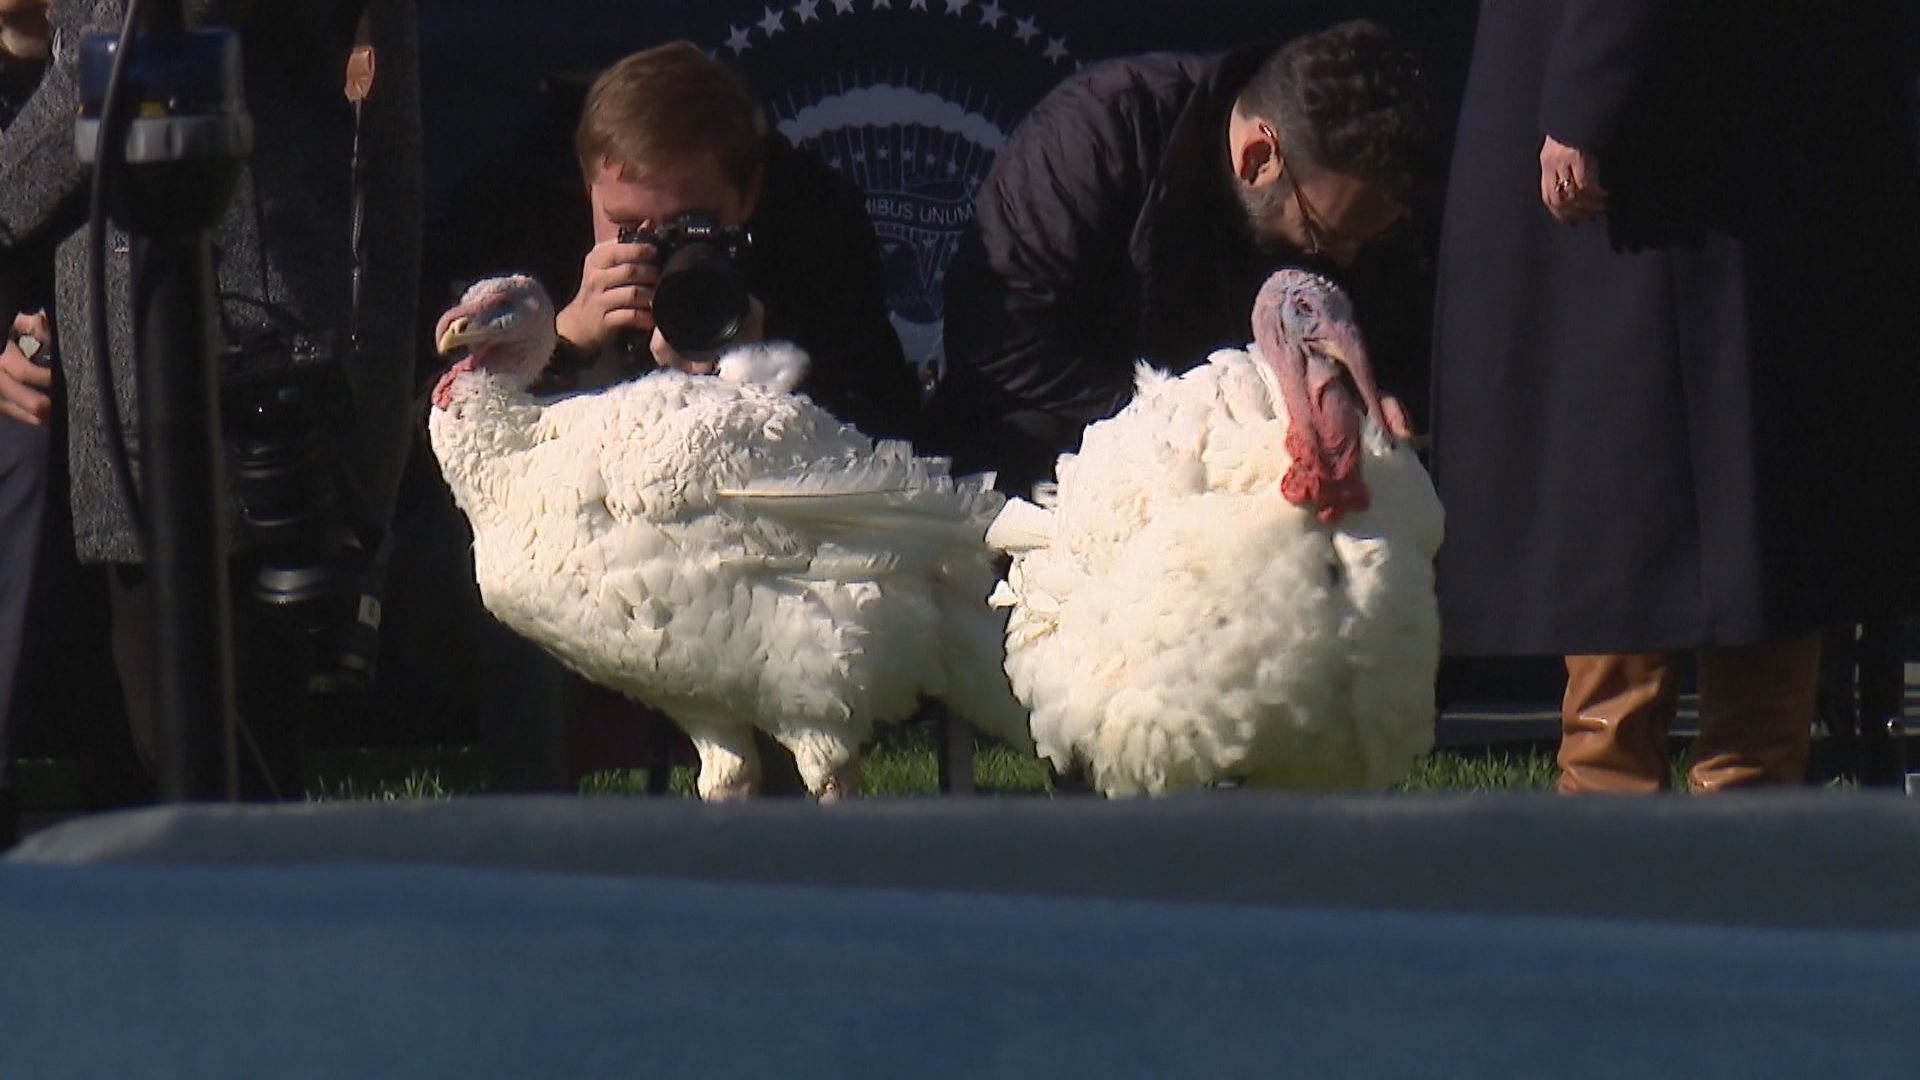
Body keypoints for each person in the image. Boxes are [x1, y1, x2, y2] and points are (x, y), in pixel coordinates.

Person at [1429, 1, 1920, 793]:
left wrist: (1591, 91)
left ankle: (1623, 836)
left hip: (1679, 156)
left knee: (1650, 490)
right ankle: (1734, 847)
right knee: (1763, 497)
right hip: (1777, 129)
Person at [0, 0, 422, 803]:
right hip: (119, 363)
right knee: (136, 763)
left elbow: (113, 61)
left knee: (211, 762)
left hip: (230, 352)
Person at [918, 18, 1438, 497]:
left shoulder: (1348, 206)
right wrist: (1190, 418)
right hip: (1068, 440)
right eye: (1323, 235)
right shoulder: (1097, 133)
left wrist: (1379, 403)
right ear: (1258, 159)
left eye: (1368, 241)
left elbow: (1396, 351)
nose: (1345, 262)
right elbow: (1001, 340)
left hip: (1255, 466)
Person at [548, 40, 921, 440]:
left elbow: (887, 433)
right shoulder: (541, 242)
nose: (652, 246)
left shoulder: (815, 241)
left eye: (685, 225)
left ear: (748, 196)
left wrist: (765, 374)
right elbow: (483, 443)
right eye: (625, 224)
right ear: (589, 192)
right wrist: (562, 347)